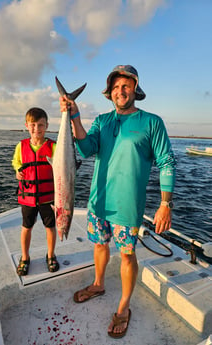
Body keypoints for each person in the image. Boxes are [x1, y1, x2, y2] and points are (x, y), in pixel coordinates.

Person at [59, 65, 176, 339]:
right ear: (109, 94)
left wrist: (165, 203)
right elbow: (86, 149)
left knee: (126, 254)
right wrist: (73, 117)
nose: (120, 92)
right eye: (115, 88)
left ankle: (124, 306)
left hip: (127, 207)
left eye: (125, 86)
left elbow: (167, 162)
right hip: (98, 203)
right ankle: (98, 284)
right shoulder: (102, 121)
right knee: (99, 244)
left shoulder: (152, 122)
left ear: (135, 88)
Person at [12, 107, 59, 276]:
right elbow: (15, 162)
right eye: (33, 125)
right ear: (26, 125)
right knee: (26, 227)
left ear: (46, 126)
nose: (36, 129)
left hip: (48, 198)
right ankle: (25, 258)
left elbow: (61, 166)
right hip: (28, 198)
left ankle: (51, 255)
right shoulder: (21, 146)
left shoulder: (54, 146)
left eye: (40, 125)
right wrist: (18, 170)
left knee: (50, 227)